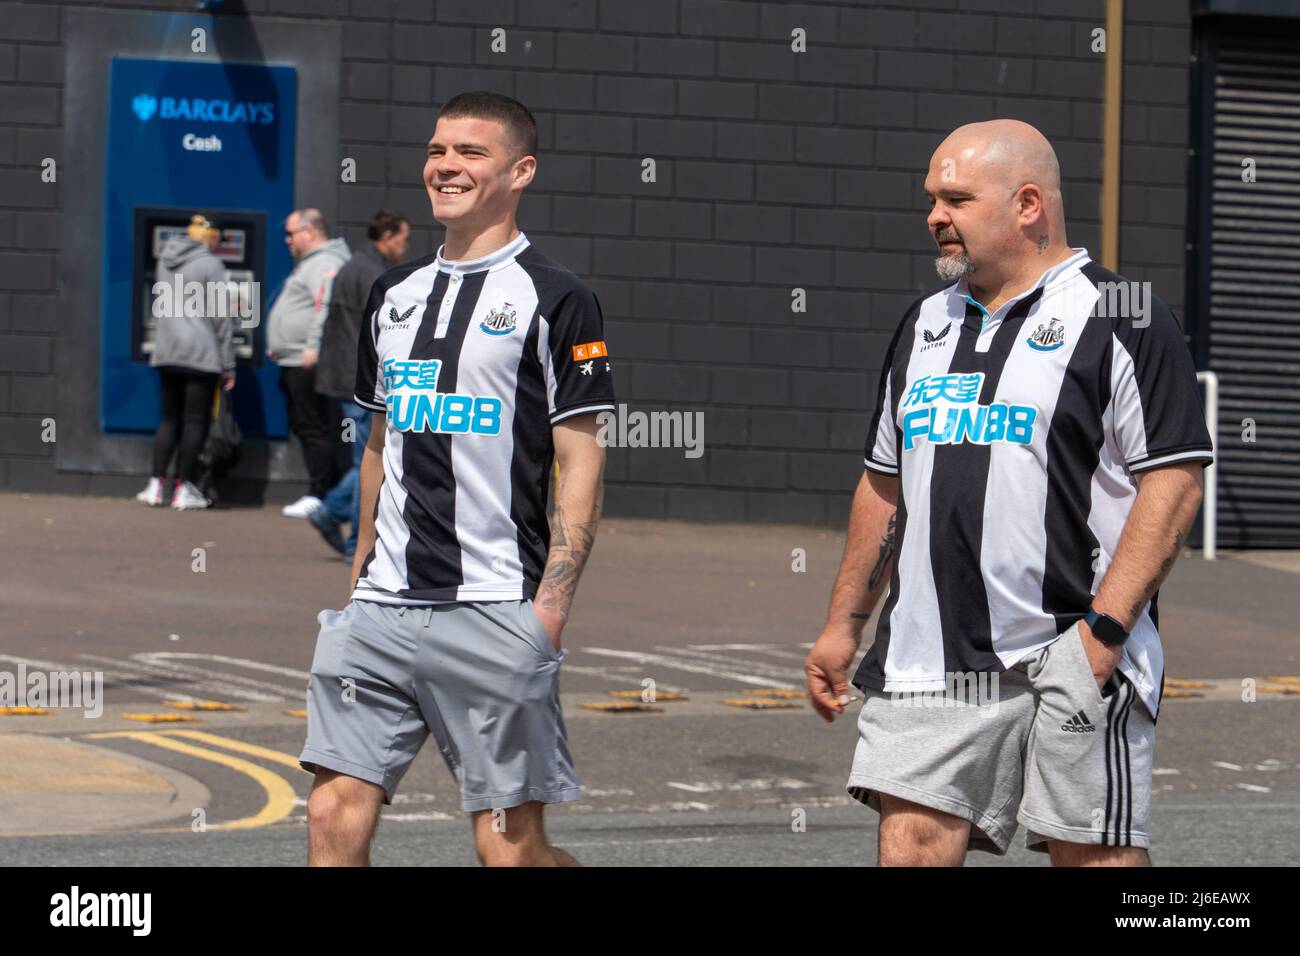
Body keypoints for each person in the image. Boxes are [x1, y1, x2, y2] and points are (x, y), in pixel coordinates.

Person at [805, 120, 1212, 866]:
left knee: (1093, 858)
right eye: (931, 197)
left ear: (1028, 205)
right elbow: (884, 485)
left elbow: (1175, 481)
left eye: (955, 198)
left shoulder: (1124, 315)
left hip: (1074, 652)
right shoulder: (926, 322)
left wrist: (1104, 635)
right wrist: (843, 624)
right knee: (913, 846)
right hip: (927, 660)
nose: (935, 215)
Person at [299, 91, 615, 866]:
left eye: (471, 152)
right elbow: (380, 441)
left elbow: (581, 460)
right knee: (332, 815)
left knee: (509, 850)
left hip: (497, 606)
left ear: (520, 171)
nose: (447, 166)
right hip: (380, 607)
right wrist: (360, 571)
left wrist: (548, 611)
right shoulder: (392, 293)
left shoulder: (558, 298)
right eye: (438, 150)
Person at [309, 209, 411, 560]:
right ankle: (354, 539)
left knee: (364, 457)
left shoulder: (354, 266)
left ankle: (330, 512)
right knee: (369, 459)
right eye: (403, 237)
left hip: (342, 377)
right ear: (388, 237)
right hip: (359, 381)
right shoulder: (375, 274)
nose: (405, 245)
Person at [136, 214, 235, 511]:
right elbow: (221, 317)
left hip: (167, 351)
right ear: (211, 237)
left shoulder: (165, 259)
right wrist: (228, 364)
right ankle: (184, 488)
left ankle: (155, 485)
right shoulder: (212, 265)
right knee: (195, 422)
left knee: (168, 419)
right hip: (201, 355)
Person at [266, 208, 351, 518]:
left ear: (310, 232)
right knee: (306, 425)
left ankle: (321, 494)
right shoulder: (312, 264)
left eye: (291, 234)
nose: (287, 241)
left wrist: (312, 347)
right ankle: (322, 492)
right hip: (293, 357)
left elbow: (325, 306)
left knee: (313, 427)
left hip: (306, 362)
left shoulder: (324, 263)